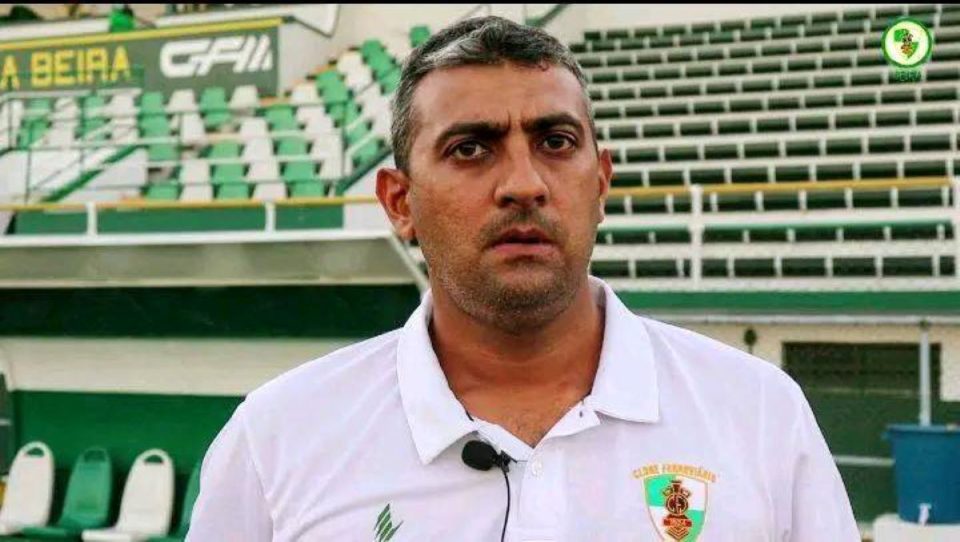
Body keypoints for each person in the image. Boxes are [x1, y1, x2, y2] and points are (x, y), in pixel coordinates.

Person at [188, 15, 859, 541]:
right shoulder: (277, 439)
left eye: (555, 142)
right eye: (470, 148)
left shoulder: (760, 415)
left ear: (601, 184)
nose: (523, 184)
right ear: (399, 202)